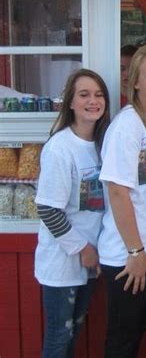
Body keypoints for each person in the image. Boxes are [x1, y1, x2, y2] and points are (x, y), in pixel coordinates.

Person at [98, 44, 146, 357]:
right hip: (128, 255)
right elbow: (118, 192)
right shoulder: (126, 126)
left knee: (136, 331)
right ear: (136, 82)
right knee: (122, 339)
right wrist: (136, 251)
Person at [34, 68, 110, 358]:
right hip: (63, 262)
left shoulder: (102, 143)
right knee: (59, 335)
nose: (93, 101)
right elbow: (48, 208)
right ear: (71, 102)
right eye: (84, 94)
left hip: (90, 259)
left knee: (74, 331)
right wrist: (82, 249)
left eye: (99, 94)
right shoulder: (60, 148)